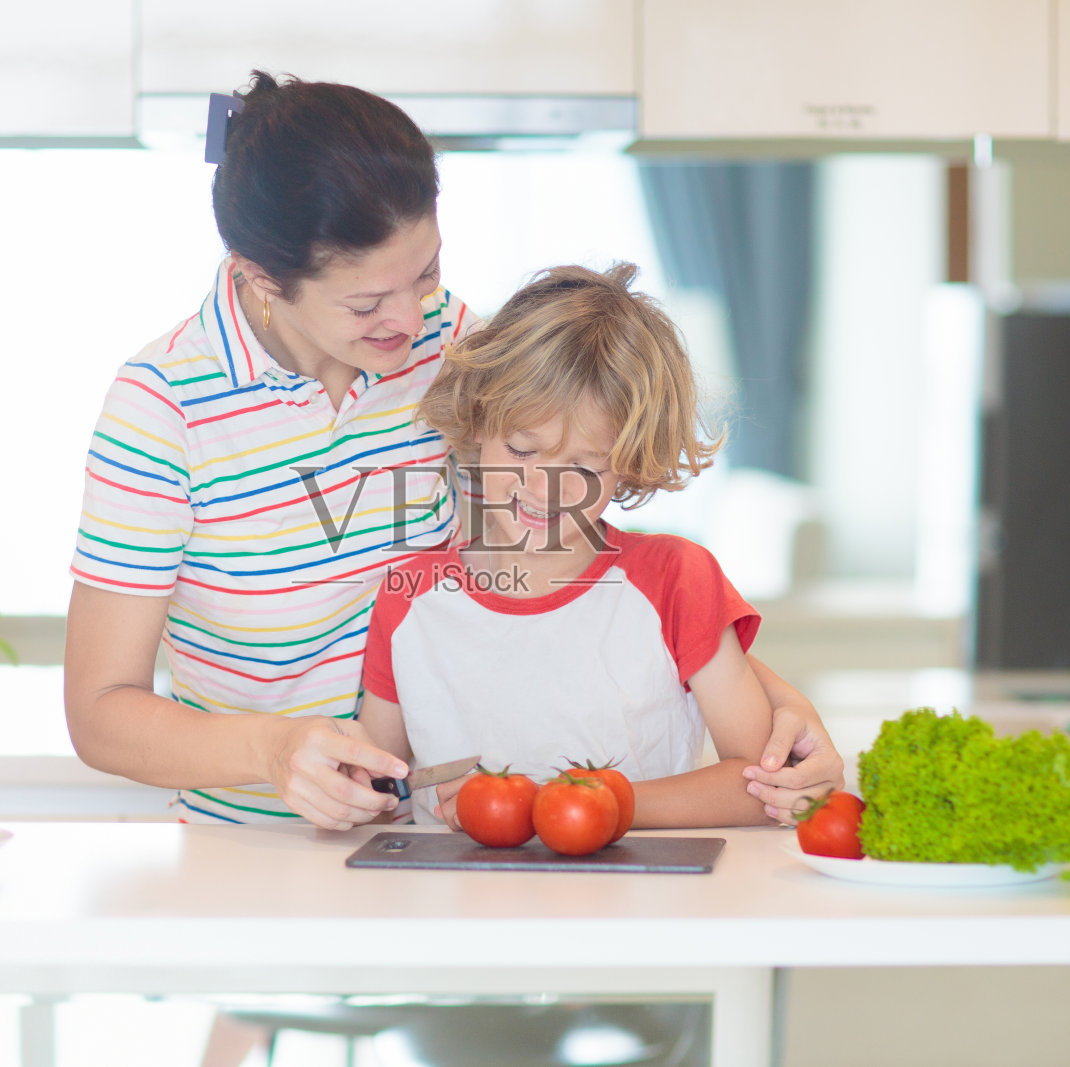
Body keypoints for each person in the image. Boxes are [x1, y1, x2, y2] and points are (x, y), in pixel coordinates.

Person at [63, 71, 843, 833]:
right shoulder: (163, 407)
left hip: (450, 832)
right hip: (260, 844)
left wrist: (772, 703)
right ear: (262, 278)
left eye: (427, 270)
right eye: (367, 303)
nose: (410, 320)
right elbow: (101, 715)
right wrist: (272, 750)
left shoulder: (448, 340)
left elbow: (577, 554)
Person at [359, 262, 788, 828]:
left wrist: (564, 805)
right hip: (452, 909)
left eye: (583, 466)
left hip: (635, 909)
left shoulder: (675, 578)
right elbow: (376, 783)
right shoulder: (410, 598)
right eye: (521, 450)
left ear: (627, 465)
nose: (543, 487)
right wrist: (364, 791)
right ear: (477, 426)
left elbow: (763, 783)